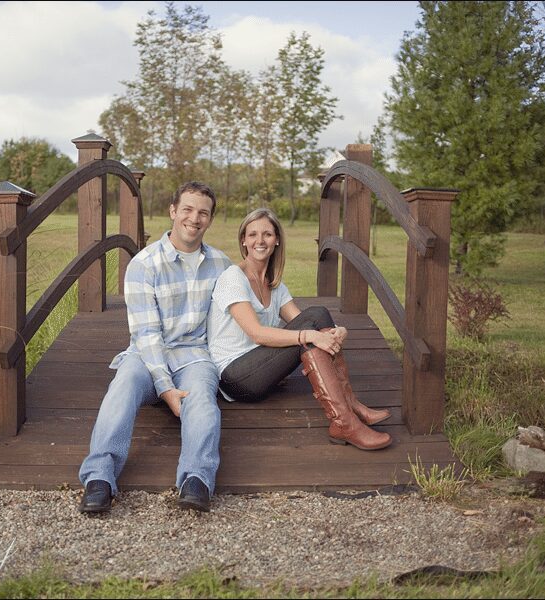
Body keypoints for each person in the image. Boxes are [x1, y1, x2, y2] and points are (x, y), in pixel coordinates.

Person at [78, 182, 232, 514]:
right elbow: (147, 335)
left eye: (203, 212)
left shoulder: (222, 264)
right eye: (187, 210)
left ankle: (197, 479)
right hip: (147, 356)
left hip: (195, 357)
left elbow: (236, 315)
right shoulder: (144, 264)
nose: (194, 218)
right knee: (124, 384)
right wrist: (165, 387)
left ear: (210, 219)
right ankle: (99, 478)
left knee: (203, 399)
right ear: (173, 211)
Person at [207, 208, 392, 450]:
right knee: (312, 325)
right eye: (252, 235)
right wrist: (312, 335)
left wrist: (337, 331)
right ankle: (346, 418)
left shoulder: (274, 285)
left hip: (261, 368)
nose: (259, 241)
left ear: (277, 240)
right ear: (243, 240)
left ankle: (348, 409)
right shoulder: (233, 278)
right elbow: (257, 333)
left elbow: (305, 320)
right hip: (236, 377)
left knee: (317, 314)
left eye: (267, 234)